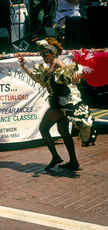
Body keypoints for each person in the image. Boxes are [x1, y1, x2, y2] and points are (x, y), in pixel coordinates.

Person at [17, 37, 95, 171]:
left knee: (43, 128)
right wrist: (24, 67)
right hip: (60, 104)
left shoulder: (58, 63)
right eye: (41, 54)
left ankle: (56, 157)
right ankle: (73, 161)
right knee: (63, 132)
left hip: (59, 105)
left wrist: (76, 76)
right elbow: (38, 79)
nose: (42, 56)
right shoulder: (49, 67)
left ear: (53, 53)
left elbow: (70, 74)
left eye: (45, 53)